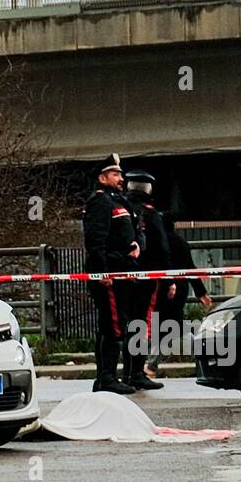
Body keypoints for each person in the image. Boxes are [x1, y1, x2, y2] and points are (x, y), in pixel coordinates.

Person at [82, 153, 141, 395]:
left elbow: (127, 232)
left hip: (123, 268)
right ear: (102, 177)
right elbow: (95, 240)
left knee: (116, 323)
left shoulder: (118, 201)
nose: (121, 177)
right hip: (110, 273)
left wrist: (135, 245)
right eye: (115, 174)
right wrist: (101, 272)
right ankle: (107, 377)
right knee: (112, 326)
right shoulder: (100, 202)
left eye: (120, 174)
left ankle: (108, 376)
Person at [147, 213, 214, 373]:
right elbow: (191, 268)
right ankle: (205, 357)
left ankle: (152, 364)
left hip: (164, 289)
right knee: (173, 326)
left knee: (169, 327)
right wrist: (201, 293)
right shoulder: (181, 243)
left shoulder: (159, 244)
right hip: (181, 289)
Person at [123, 171, 167, 390]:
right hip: (147, 276)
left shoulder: (121, 208)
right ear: (148, 189)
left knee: (127, 324)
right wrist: (168, 279)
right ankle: (137, 373)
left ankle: (126, 373)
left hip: (124, 275)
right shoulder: (151, 214)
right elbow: (161, 247)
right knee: (141, 324)